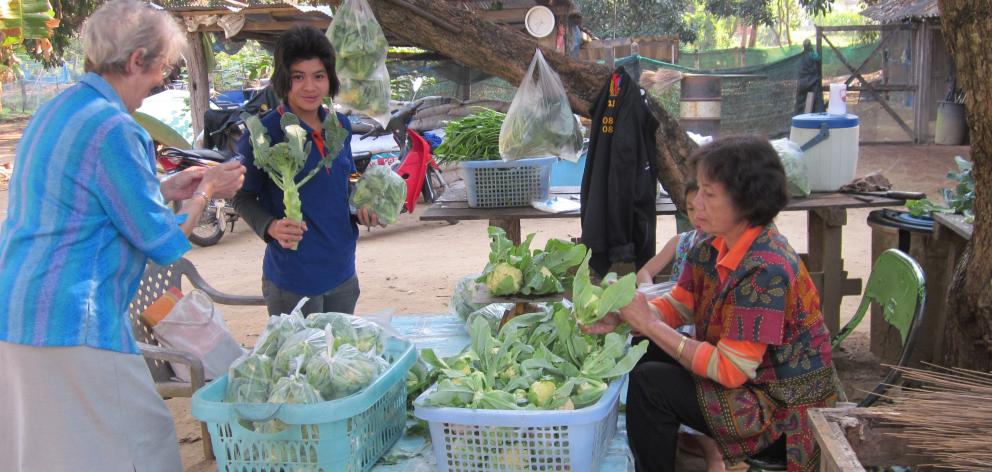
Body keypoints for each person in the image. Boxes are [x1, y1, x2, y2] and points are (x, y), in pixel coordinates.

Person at [0, 1, 246, 470]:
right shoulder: (114, 127)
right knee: (140, 445)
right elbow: (164, 242)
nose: (158, 83)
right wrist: (206, 193)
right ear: (137, 61)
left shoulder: (60, 110)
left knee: (46, 454)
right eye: (161, 70)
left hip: (17, 311)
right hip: (73, 317)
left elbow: (84, 203)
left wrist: (165, 187)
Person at [585, 136, 838, 472]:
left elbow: (729, 371)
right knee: (644, 351)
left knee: (651, 385)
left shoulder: (766, 269)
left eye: (709, 194)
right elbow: (680, 305)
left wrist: (649, 324)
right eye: (698, 189)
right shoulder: (709, 243)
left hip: (782, 412)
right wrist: (624, 317)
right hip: (751, 382)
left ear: (747, 203)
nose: (696, 202)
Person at [233, 26, 382, 318]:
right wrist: (271, 226)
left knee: (338, 358)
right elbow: (241, 197)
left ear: (330, 80)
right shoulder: (264, 132)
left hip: (343, 274)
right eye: (298, 77)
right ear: (284, 81)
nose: (309, 87)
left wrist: (362, 206)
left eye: (319, 76)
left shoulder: (340, 126)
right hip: (292, 280)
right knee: (300, 363)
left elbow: (346, 182)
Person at [636, 180, 704, 286]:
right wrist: (649, 291)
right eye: (691, 209)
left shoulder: (725, 247)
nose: (696, 216)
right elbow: (644, 272)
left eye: (703, 209)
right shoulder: (681, 242)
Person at [795, 39, 824, 115]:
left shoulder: (801, 56)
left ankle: (799, 115)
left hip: (802, 82)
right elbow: (818, 58)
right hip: (812, 81)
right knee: (817, 99)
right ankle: (818, 113)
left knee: (801, 101)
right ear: (810, 46)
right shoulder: (811, 55)